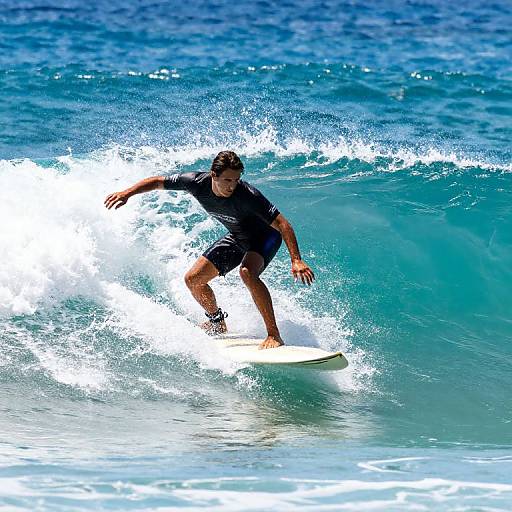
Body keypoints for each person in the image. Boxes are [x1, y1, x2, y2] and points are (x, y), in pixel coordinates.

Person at [104, 150, 314, 349]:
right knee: (193, 279)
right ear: (214, 175)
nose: (232, 185)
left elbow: (283, 224)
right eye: (227, 180)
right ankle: (217, 322)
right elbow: (159, 182)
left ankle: (274, 334)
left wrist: (296, 259)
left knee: (247, 272)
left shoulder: (248, 194)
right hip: (238, 237)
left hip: (265, 236)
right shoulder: (195, 182)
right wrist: (127, 193)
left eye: (236, 179)